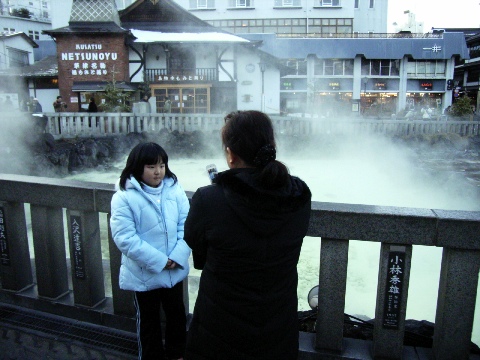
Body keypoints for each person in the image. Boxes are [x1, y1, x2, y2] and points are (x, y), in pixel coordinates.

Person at [184, 110, 312, 360]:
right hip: (278, 320)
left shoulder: (209, 198)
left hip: (220, 324)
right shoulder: (298, 195)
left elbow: (196, 244)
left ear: (230, 155)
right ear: (271, 146)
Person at [110, 142, 191, 360]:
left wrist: (176, 256)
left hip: (174, 268)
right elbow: (124, 238)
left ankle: (177, 354)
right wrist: (159, 260)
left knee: (177, 315)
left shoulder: (174, 188)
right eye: (151, 166)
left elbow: (187, 223)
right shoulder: (124, 196)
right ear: (137, 167)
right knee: (148, 319)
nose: (158, 172)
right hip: (144, 271)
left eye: (162, 165)